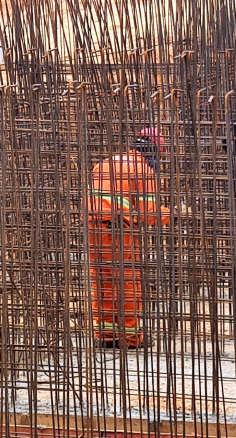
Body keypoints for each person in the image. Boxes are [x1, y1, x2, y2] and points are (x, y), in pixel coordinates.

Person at [86, 127, 171, 348]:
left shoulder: (106, 162)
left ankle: (105, 336)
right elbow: (148, 212)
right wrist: (169, 214)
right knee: (127, 284)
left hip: (94, 228)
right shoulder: (143, 169)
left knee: (103, 282)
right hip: (118, 230)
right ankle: (131, 338)